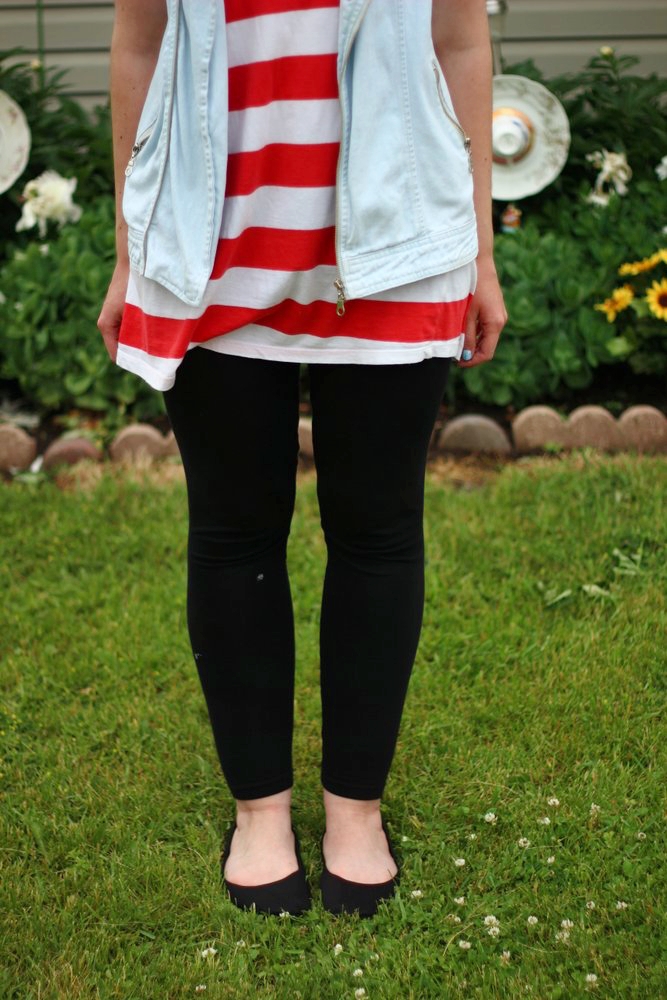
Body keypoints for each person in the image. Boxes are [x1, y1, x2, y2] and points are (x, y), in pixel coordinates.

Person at [98, 0, 507, 918]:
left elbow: (458, 37)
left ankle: (354, 812)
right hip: (210, 243)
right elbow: (138, 40)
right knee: (235, 530)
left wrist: (479, 251)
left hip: (399, 234)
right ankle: (260, 813)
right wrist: (130, 254)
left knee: (377, 527)